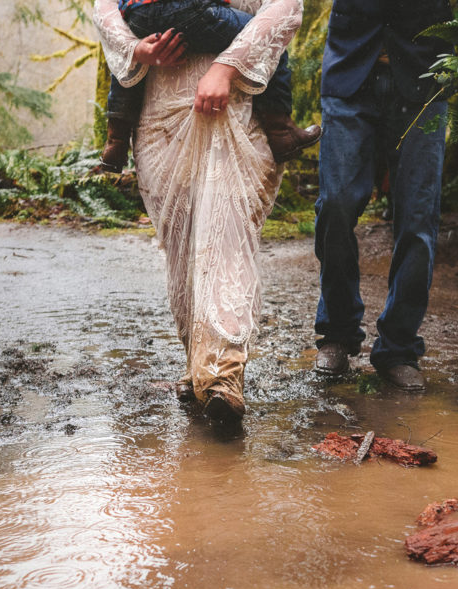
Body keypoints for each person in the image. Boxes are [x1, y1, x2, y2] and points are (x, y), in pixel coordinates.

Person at [94, 0, 306, 423]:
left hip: (238, 110)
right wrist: (135, 50)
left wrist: (227, 67)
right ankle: (199, 366)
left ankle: (223, 374)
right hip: (159, 117)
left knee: (225, 236)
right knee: (181, 249)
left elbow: (286, 7)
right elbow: (103, 6)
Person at [312, 0, 451, 392]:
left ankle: (399, 348)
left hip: (426, 73)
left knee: (418, 218)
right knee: (336, 204)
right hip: (349, 68)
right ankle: (338, 334)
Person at [97, 0, 321, 173]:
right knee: (271, 41)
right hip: (192, 10)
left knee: (125, 62)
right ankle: (281, 131)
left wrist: (134, 49)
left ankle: (116, 141)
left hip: (137, 14)